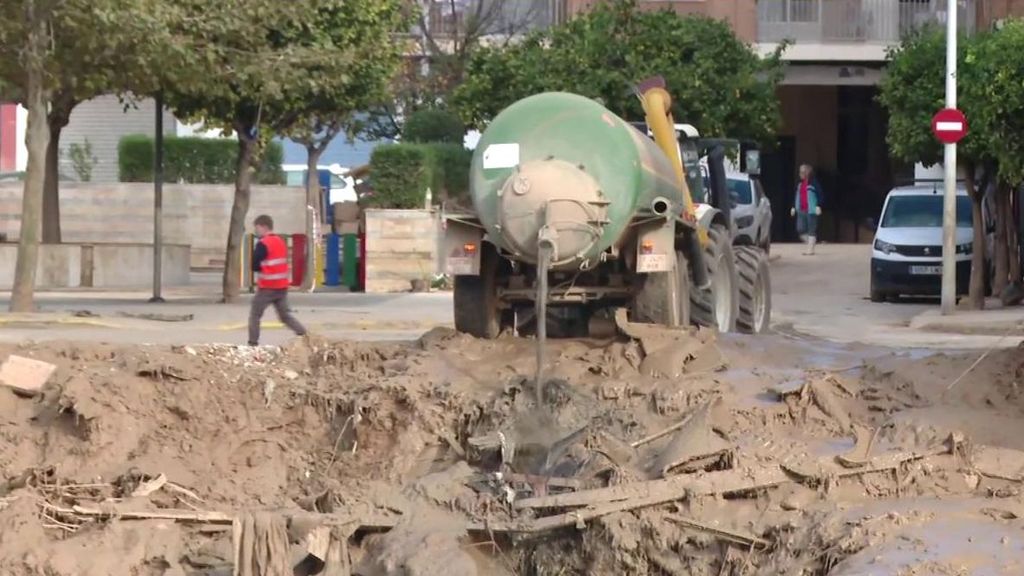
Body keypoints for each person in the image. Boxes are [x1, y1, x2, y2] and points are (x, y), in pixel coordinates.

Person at [248, 214, 307, 346]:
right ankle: (305, 335)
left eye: (257, 228)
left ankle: (253, 343)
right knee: (285, 316)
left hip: (267, 287)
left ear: (264, 227)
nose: (256, 231)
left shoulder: (263, 244)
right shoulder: (280, 241)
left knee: (255, 315)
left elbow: (254, 265)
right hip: (282, 287)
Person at [790, 164, 822, 255]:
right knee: (800, 229)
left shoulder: (814, 184)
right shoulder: (800, 184)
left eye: (802, 172)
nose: (800, 174)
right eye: (800, 172)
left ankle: (810, 249)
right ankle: (811, 242)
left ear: (807, 173)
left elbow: (820, 195)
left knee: (811, 229)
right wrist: (793, 207)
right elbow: (797, 196)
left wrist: (818, 205)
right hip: (801, 209)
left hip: (811, 210)